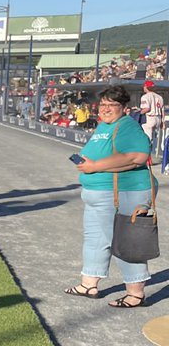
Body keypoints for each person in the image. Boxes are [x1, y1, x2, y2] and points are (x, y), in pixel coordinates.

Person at [65, 85, 154, 308]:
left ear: (124, 108)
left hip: (123, 192)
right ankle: (89, 284)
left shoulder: (127, 126)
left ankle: (136, 293)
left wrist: (95, 165)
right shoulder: (105, 126)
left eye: (111, 105)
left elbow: (137, 156)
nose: (105, 109)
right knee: (95, 238)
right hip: (100, 195)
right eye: (102, 104)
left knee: (125, 241)